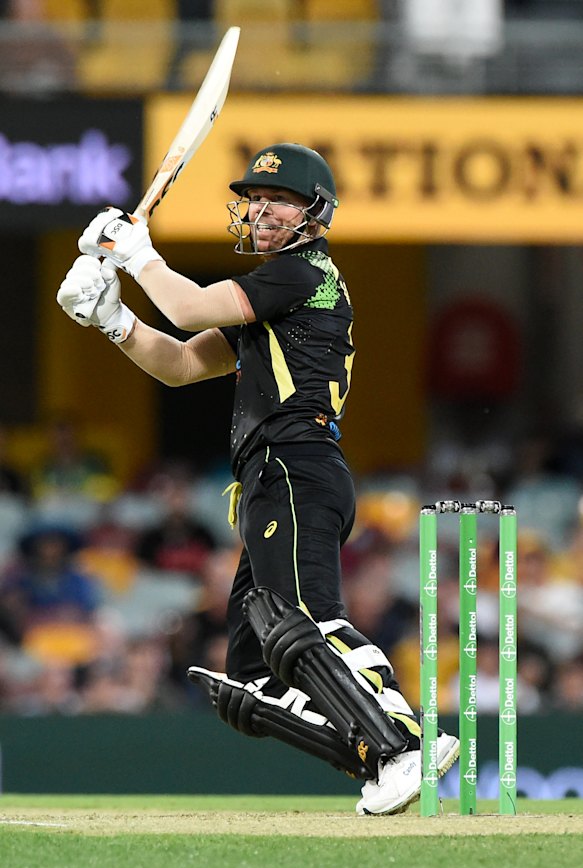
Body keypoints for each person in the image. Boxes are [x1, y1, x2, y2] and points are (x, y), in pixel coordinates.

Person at [55, 142, 459, 815]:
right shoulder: (277, 296)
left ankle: (402, 745)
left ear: (316, 213)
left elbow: (186, 308)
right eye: (255, 199)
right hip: (276, 481)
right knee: (255, 675)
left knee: (307, 621)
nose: (260, 209)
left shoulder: (302, 273)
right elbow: (182, 362)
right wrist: (112, 319)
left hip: (293, 468)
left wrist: (135, 254)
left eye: (278, 199)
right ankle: (372, 760)